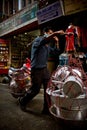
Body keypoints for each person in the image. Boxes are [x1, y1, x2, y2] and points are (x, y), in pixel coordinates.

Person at [19, 27, 64, 114]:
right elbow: (45, 40)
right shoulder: (38, 40)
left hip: (44, 69)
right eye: (50, 33)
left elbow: (56, 52)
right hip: (36, 70)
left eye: (52, 33)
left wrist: (57, 42)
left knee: (48, 89)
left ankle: (46, 109)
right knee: (35, 89)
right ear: (45, 33)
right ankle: (23, 101)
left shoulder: (47, 46)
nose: (51, 35)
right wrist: (56, 32)